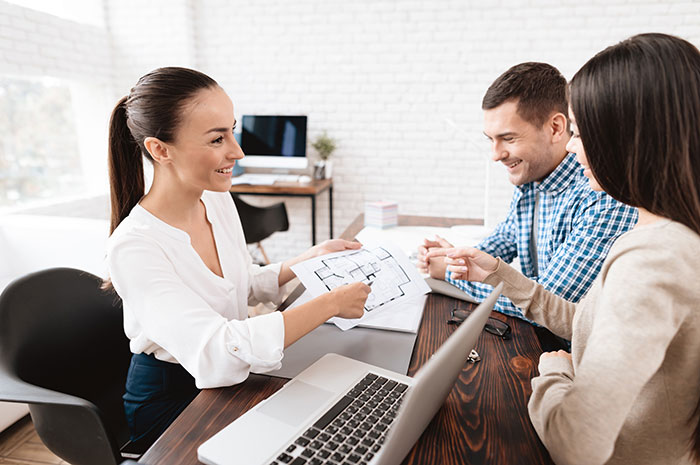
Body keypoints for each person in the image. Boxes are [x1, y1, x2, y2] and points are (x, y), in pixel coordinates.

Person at [433, 33, 700, 465]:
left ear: (629, 139)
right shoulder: (664, 238)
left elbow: (575, 445)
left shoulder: (654, 260)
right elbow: (590, 321)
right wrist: (500, 273)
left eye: (578, 131)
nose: (573, 147)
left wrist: (555, 373)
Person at [105, 67, 371, 447]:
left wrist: (307, 258)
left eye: (233, 131)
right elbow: (217, 351)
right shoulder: (135, 246)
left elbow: (238, 285)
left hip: (229, 382)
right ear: (160, 149)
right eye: (217, 139)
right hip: (174, 403)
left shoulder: (215, 199)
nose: (237, 151)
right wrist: (329, 304)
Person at [418, 63, 637, 346]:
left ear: (556, 128)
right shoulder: (532, 179)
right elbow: (499, 245)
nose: (496, 155)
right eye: (491, 140)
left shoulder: (602, 195)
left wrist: (448, 272)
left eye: (508, 138)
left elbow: (548, 305)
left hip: (571, 359)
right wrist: (454, 257)